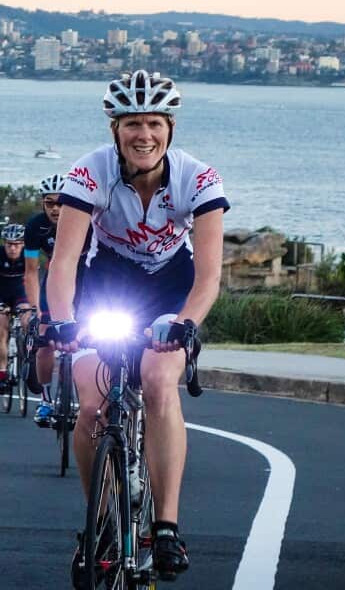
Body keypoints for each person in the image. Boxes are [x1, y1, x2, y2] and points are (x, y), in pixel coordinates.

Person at [45, 70, 227, 586]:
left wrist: (188, 324)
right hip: (106, 285)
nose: (143, 135)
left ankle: (166, 527)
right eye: (131, 125)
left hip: (172, 292)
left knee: (158, 383)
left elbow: (210, 275)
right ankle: (98, 519)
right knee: (89, 407)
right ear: (115, 130)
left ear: (169, 128)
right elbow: (64, 263)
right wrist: (62, 322)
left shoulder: (199, 179)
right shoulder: (89, 174)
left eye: (153, 123)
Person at [23, 174, 66, 426]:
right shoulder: (35, 227)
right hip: (54, 278)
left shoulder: (87, 221)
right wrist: (34, 307)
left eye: (61, 203)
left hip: (86, 278)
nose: (56, 209)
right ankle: (46, 400)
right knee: (45, 340)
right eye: (50, 203)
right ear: (42, 203)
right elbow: (30, 271)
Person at [0, 223, 35, 394]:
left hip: (21, 294)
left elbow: (34, 281)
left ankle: (30, 358)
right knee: (1, 325)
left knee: (29, 319)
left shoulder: (29, 256)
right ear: (4, 244)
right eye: (9, 244)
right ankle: (1, 373)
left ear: (23, 245)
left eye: (17, 245)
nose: (12, 249)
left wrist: (35, 305)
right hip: (0, 295)